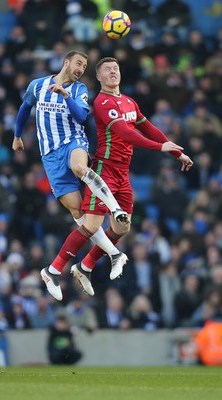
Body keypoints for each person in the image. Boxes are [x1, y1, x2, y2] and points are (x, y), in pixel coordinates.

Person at [41, 57, 193, 301]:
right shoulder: (102, 102)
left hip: (123, 174)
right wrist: (159, 148)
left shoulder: (129, 101)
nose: (113, 72)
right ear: (99, 77)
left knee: (122, 227)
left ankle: (85, 267)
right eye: (107, 70)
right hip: (105, 169)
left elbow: (148, 127)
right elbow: (125, 132)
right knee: (91, 225)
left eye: (116, 68)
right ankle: (53, 269)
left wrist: (177, 151)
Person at [12, 51, 129, 294]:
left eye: (84, 66)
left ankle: (114, 207)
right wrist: (17, 136)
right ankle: (113, 254)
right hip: (49, 155)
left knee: (80, 167)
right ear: (66, 62)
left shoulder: (80, 89)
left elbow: (82, 116)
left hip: (73, 141)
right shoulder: (38, 85)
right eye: (78, 64)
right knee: (79, 212)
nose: (80, 69)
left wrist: (66, 96)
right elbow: (25, 108)